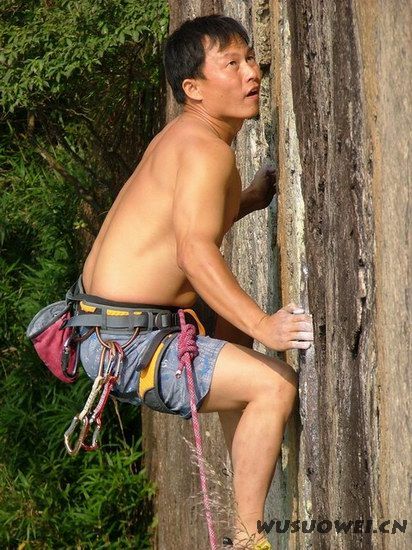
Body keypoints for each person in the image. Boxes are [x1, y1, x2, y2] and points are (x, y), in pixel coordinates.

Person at [77, 14, 314, 549]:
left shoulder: (184, 138)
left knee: (234, 333)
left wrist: (247, 199)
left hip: (108, 328)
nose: (251, 73)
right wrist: (266, 324)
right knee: (274, 384)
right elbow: (191, 250)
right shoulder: (207, 150)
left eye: (250, 59)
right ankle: (248, 539)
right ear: (194, 88)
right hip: (127, 343)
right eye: (231, 64)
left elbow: (179, 226)